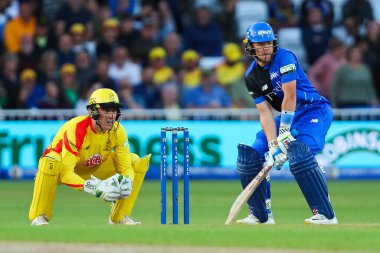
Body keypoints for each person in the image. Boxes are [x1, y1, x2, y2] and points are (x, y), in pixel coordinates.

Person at [236, 22, 337, 225]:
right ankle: (260, 215)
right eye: (259, 44)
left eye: (268, 43)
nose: (265, 48)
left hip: (313, 110)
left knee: (300, 154)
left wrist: (283, 133)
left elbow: (289, 96)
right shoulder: (251, 76)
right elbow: (264, 112)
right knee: (251, 157)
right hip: (285, 115)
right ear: (250, 47)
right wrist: (274, 144)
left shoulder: (285, 57)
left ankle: (325, 214)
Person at [29, 88, 151, 226]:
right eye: (106, 110)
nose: (111, 115)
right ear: (92, 111)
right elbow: (66, 174)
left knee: (135, 161)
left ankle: (119, 217)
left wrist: (128, 182)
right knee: (51, 161)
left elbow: (126, 168)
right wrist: (97, 189)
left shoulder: (118, 131)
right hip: (61, 170)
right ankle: (39, 216)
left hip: (94, 167)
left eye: (114, 110)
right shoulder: (76, 128)